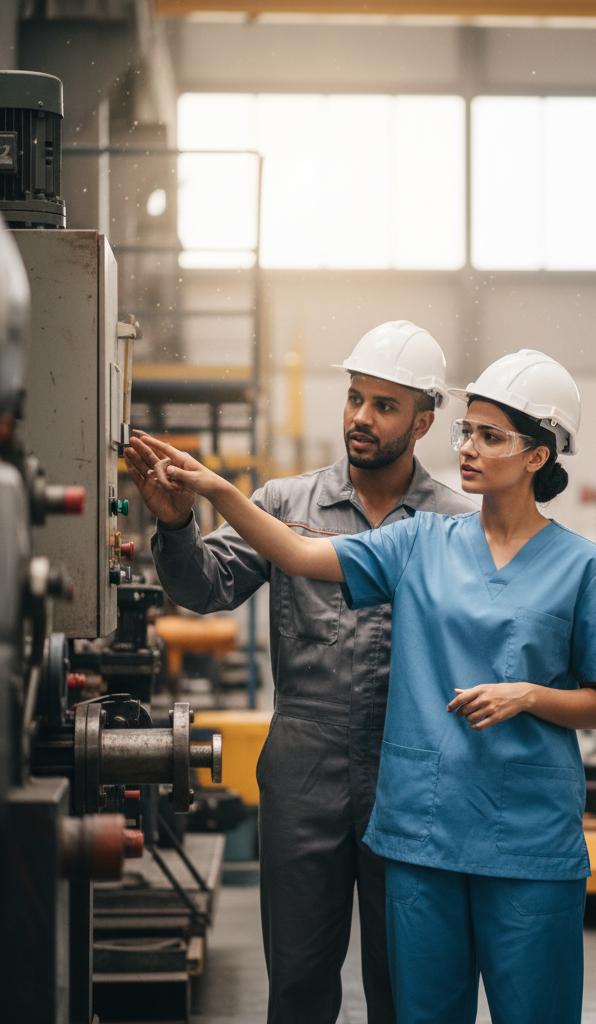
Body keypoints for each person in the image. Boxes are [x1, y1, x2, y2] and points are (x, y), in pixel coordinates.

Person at [142, 348, 596, 1024]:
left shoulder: (554, 556)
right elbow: (285, 555)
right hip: (379, 796)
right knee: (331, 987)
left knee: (462, 999)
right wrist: (204, 501)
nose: (471, 447)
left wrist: (530, 696)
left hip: (485, 813)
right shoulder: (396, 534)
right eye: (470, 431)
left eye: (490, 435)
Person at [124, 321, 475, 1024]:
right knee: (299, 981)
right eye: (354, 399)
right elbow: (206, 588)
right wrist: (175, 527)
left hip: (410, 770)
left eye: (384, 406)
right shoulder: (287, 505)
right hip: (303, 766)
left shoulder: (457, 522)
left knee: (409, 984)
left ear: (424, 420)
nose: (360, 419)